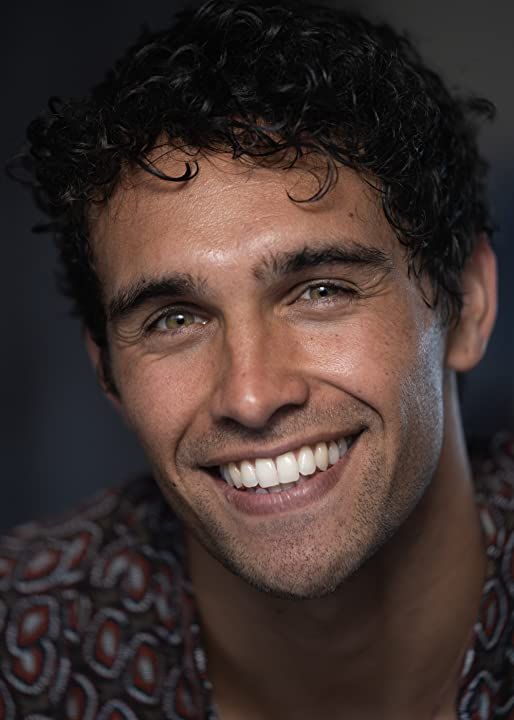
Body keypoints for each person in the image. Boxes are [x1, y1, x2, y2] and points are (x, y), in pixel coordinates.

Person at [1, 0, 512, 717]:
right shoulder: (22, 646)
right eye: (175, 319)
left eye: (322, 291)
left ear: (468, 304)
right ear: (108, 371)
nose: (250, 394)